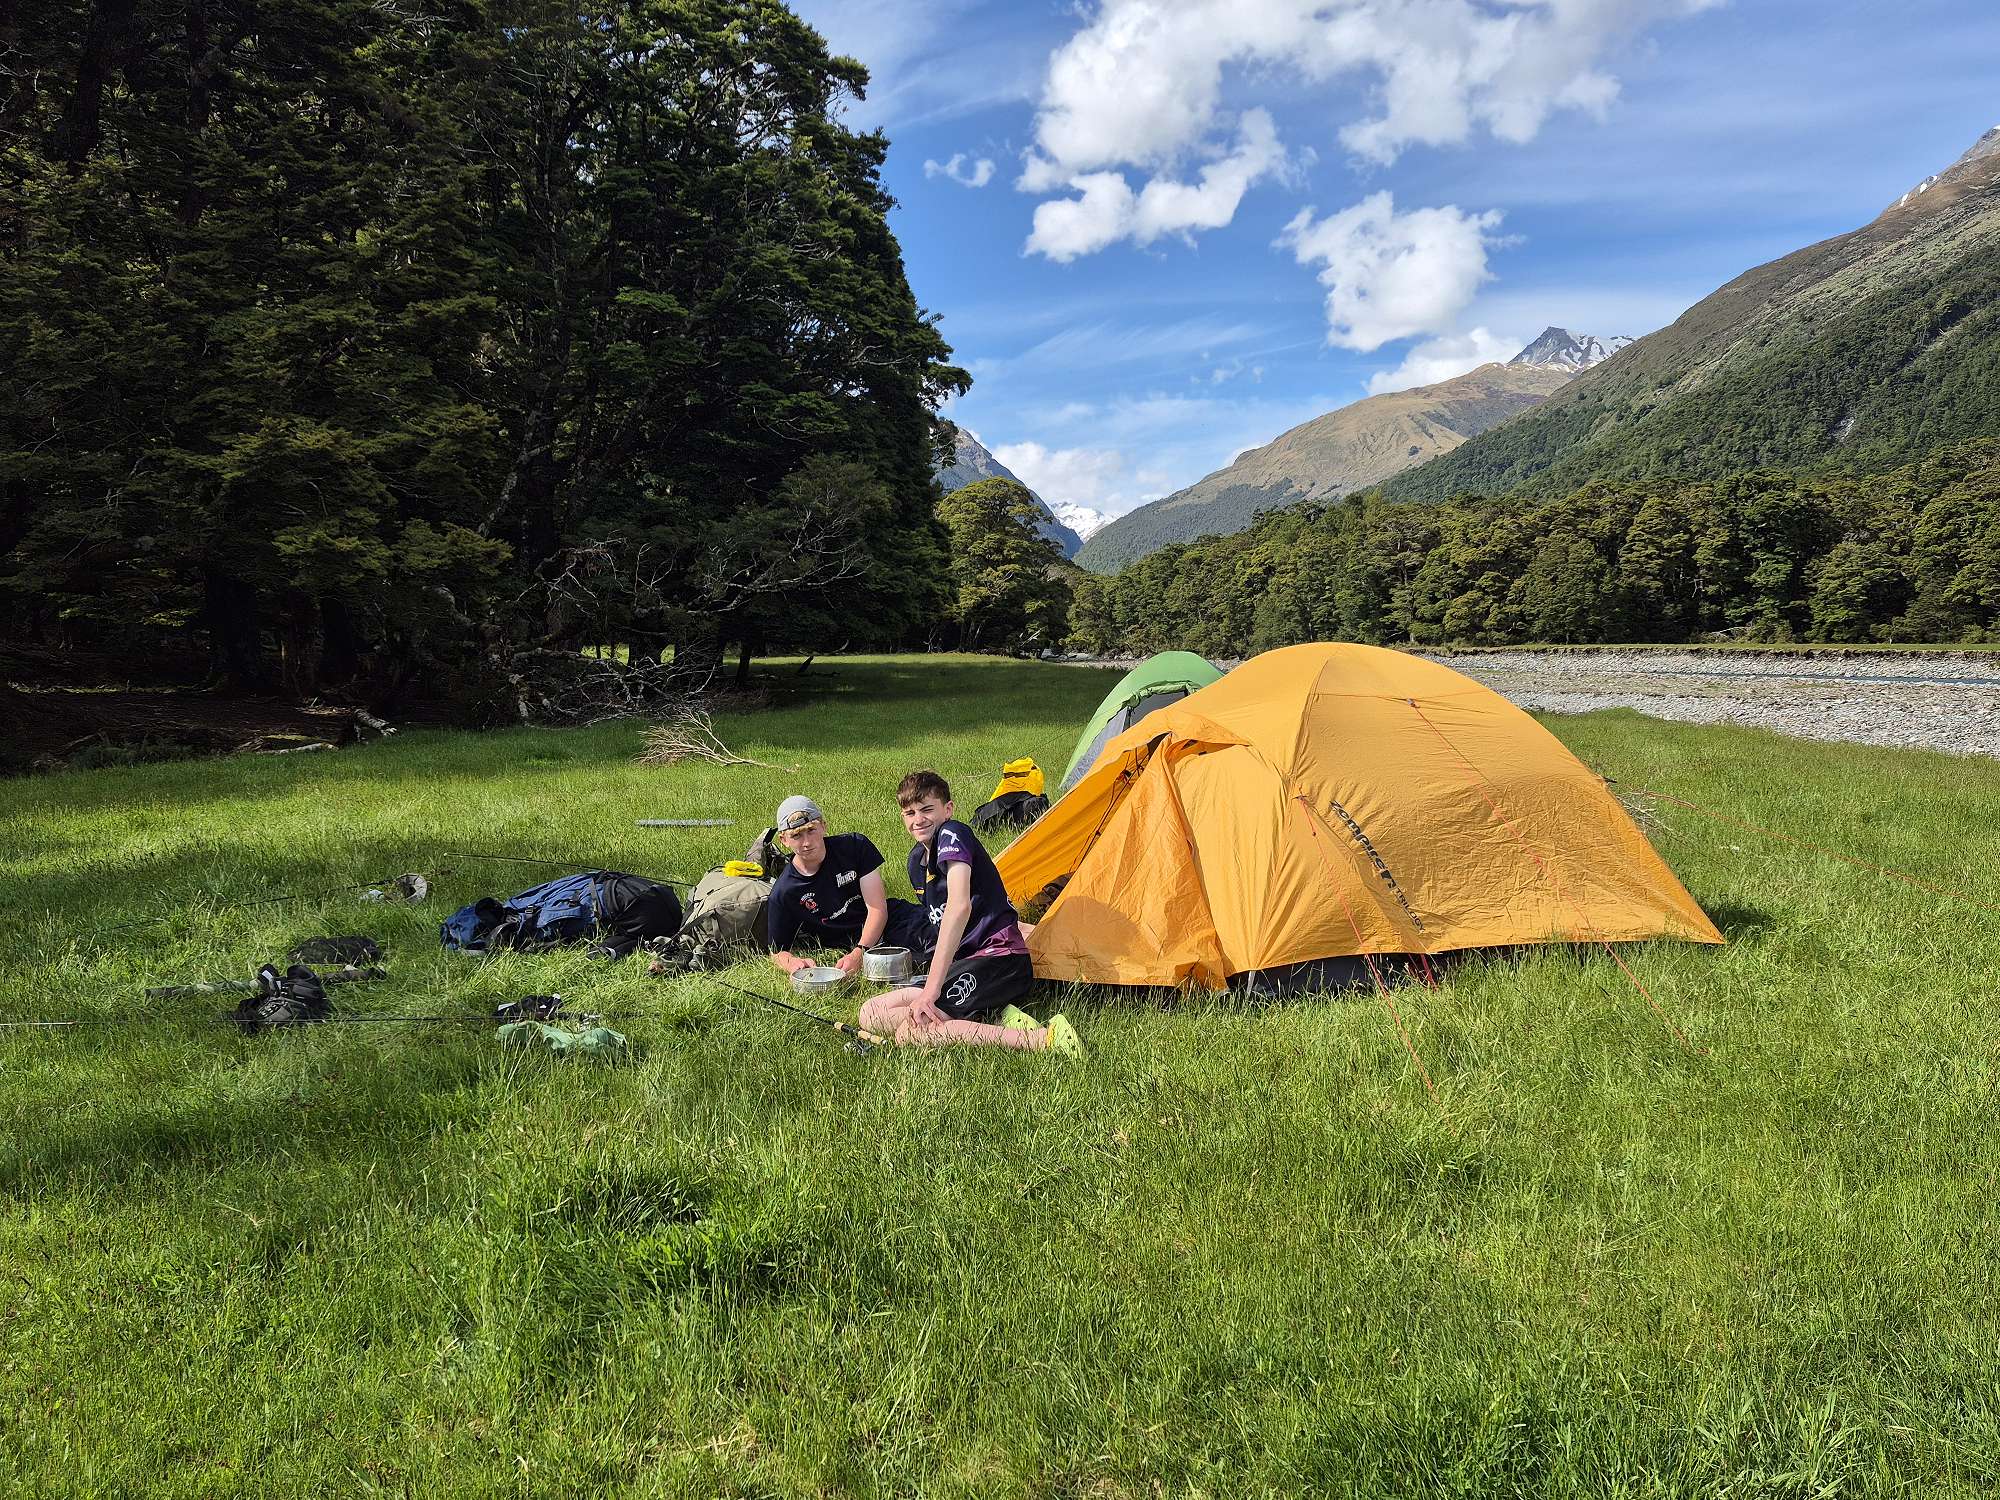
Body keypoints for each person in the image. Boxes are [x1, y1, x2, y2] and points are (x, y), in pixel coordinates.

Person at [858, 770, 1081, 1056]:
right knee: (871, 1013)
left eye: (927, 809)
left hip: (1000, 960)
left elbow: (959, 906)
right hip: (966, 966)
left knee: (910, 1033)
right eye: (910, 813)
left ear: (948, 809)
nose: (918, 819)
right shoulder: (916, 862)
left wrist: (931, 990)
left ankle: (1045, 1039)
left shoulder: (953, 833)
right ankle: (990, 1016)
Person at [765, 795, 924, 978]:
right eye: (796, 835)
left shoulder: (855, 847)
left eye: (811, 830)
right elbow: (777, 951)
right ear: (783, 839)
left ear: (823, 826)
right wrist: (792, 963)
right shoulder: (784, 892)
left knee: (938, 931)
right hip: (845, 942)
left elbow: (878, 909)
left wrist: (860, 952)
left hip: (888, 921)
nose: (806, 842)